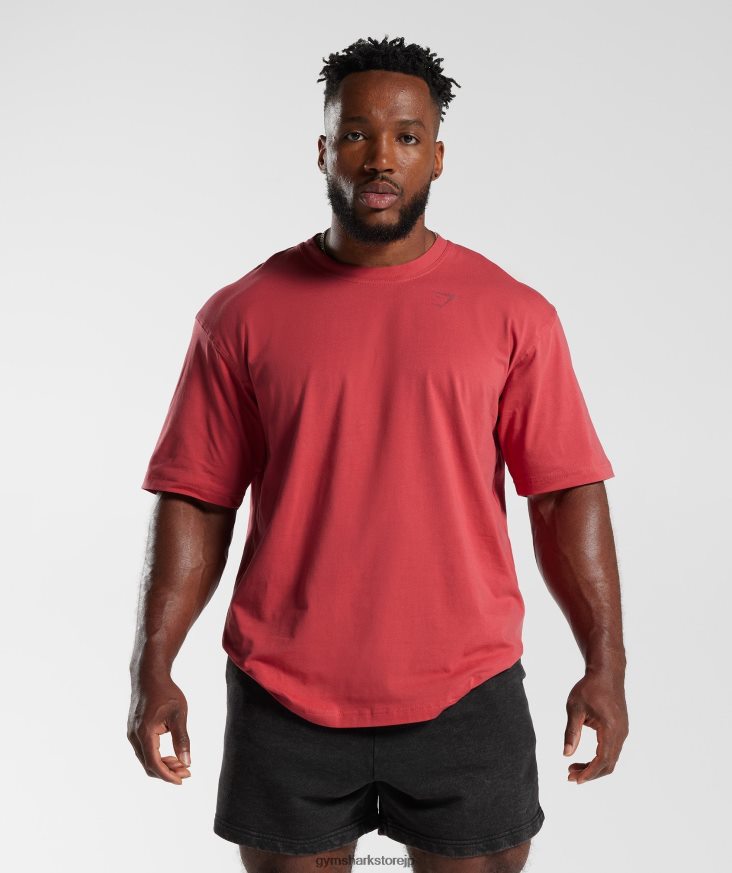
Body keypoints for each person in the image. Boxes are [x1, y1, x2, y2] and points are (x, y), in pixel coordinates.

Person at [127, 34, 628, 873]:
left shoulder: (515, 314)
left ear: (438, 156)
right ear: (324, 149)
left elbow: (564, 493)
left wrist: (605, 665)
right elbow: (198, 496)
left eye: (405, 136)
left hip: (467, 691)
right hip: (284, 692)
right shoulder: (240, 315)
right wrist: (153, 664)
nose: (380, 157)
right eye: (357, 134)